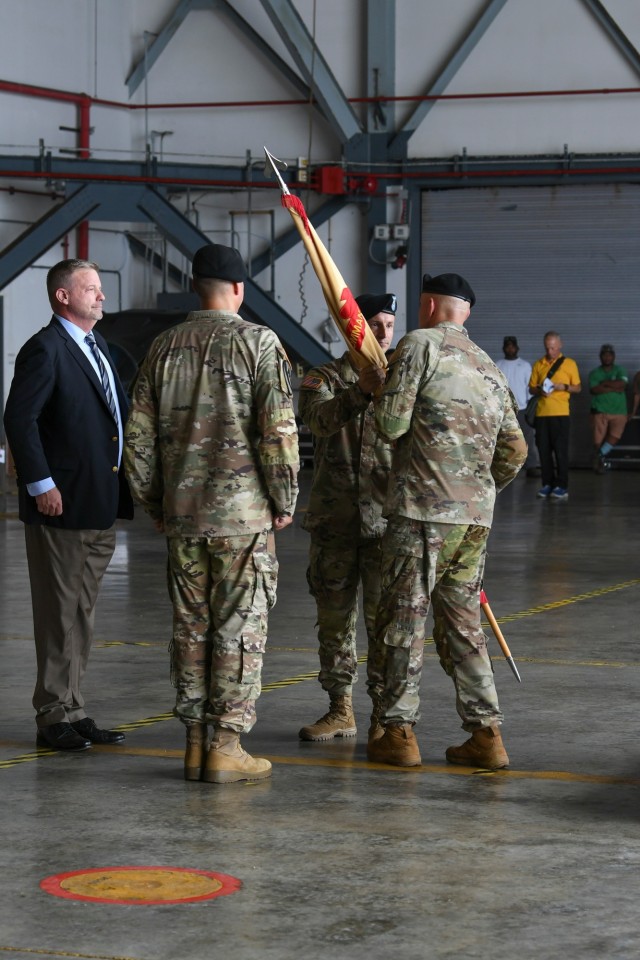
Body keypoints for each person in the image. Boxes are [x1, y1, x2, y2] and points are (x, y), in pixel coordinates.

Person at [124, 243, 299, 784]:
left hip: (184, 516)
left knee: (191, 629)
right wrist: (284, 499)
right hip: (242, 517)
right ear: (240, 290)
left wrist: (156, 503)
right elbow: (279, 434)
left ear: (196, 287)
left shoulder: (163, 346)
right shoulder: (257, 342)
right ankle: (226, 745)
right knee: (238, 628)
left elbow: (138, 440)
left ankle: (196, 745)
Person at [368, 272, 527, 770]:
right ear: (467, 313)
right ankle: (486, 734)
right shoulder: (488, 366)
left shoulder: (419, 345)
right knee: (463, 624)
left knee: (404, 620)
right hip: (473, 520)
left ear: (429, 305)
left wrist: (379, 392)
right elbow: (516, 450)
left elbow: (391, 424)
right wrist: (475, 490)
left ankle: (398, 734)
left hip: (420, 512)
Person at [3, 258, 133, 751]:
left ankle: (74, 708)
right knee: (58, 614)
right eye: (91, 289)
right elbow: (20, 418)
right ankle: (52, 713)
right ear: (63, 296)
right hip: (60, 504)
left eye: (100, 288)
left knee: (81, 614)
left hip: (98, 504)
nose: (101, 296)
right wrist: (40, 484)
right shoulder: (46, 348)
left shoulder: (97, 346)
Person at [297, 292, 397, 743]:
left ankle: (383, 714)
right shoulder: (324, 378)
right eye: (372, 323)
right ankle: (341, 709)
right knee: (334, 622)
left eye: (388, 324)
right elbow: (314, 422)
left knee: (384, 624)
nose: (381, 333)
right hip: (335, 522)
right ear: (350, 329)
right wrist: (361, 392)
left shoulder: (402, 380)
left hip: (386, 525)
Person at [528, 331, 581, 500]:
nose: (550, 351)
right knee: (544, 451)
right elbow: (531, 388)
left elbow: (578, 388)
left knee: (560, 452)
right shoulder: (539, 364)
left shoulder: (569, 364)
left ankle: (562, 486)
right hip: (542, 414)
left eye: (553, 348)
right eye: (547, 348)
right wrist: (540, 391)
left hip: (560, 414)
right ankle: (547, 484)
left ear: (560, 345)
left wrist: (562, 387)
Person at [495, 335, 539, 477]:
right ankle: (505, 468)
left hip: (522, 408)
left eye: (512, 346)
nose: (510, 348)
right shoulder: (498, 364)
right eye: (507, 346)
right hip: (505, 409)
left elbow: (530, 387)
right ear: (504, 348)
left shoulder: (525, 365)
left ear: (517, 348)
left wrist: (530, 407)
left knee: (527, 439)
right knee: (503, 439)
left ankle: (531, 466)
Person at [588, 344, 629, 473]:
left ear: (614, 356)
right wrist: (615, 387)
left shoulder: (620, 370)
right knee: (598, 439)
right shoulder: (595, 373)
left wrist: (605, 384)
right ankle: (599, 464)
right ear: (600, 357)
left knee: (615, 436)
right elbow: (594, 389)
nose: (607, 357)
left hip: (619, 411)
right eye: (604, 355)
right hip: (600, 410)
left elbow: (622, 384)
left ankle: (599, 455)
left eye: (609, 355)